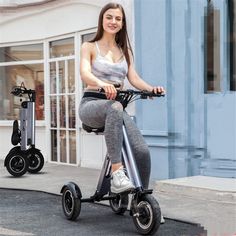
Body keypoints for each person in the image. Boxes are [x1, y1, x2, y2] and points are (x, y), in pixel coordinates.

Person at [79, 2, 165, 194]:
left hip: (115, 107)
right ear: (102, 19)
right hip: (92, 105)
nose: (113, 21)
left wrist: (152, 89)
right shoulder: (89, 46)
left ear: (122, 23)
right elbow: (84, 73)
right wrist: (102, 83)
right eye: (109, 17)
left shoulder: (124, 51)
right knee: (115, 107)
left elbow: (133, 78)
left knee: (141, 150)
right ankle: (117, 174)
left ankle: (141, 197)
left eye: (118, 18)